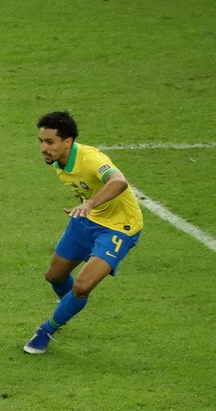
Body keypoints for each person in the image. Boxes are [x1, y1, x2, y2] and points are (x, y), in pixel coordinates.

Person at [23, 111, 143, 354]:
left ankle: (46, 330)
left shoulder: (90, 159)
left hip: (119, 228)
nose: (43, 148)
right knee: (54, 276)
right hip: (86, 221)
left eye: (49, 142)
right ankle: (68, 307)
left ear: (68, 142)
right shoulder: (58, 162)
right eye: (41, 141)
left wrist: (89, 204)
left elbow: (119, 181)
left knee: (82, 286)